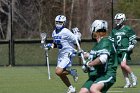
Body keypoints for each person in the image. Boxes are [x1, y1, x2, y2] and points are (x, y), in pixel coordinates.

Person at [41, 15, 81, 93]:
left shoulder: (66, 31)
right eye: (57, 22)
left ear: (64, 23)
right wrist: (50, 46)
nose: (58, 24)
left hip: (68, 53)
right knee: (60, 73)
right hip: (61, 54)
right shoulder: (54, 32)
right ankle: (71, 88)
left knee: (58, 71)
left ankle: (72, 72)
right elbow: (56, 43)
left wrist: (78, 47)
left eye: (60, 22)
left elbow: (76, 40)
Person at [79, 20, 118, 93]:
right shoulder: (98, 44)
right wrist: (86, 54)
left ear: (95, 29)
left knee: (93, 89)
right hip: (96, 75)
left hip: (107, 74)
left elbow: (102, 59)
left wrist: (89, 64)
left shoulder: (105, 41)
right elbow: (94, 56)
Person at [108, 13, 137, 88]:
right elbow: (110, 41)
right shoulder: (114, 30)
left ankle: (133, 77)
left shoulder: (127, 28)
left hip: (125, 50)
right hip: (117, 50)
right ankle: (127, 82)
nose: (117, 21)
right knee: (122, 67)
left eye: (118, 20)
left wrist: (132, 45)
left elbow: (134, 39)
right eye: (116, 20)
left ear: (123, 19)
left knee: (123, 65)